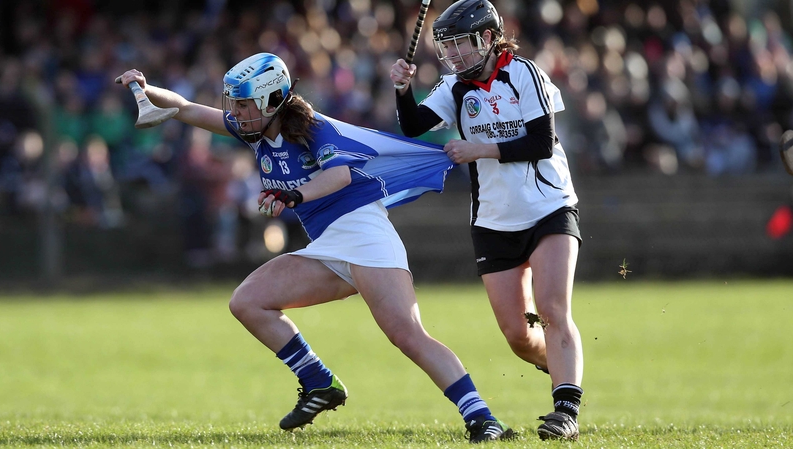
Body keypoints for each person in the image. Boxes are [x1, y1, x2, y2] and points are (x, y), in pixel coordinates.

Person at [117, 52, 514, 443]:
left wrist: (293, 197)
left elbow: (338, 176)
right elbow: (185, 109)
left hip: (364, 235)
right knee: (247, 302)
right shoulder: (253, 128)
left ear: (272, 101)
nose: (234, 112)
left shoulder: (311, 127)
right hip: (327, 245)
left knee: (407, 334)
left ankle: (482, 417)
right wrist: (148, 88)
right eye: (233, 103)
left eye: (242, 103)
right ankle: (318, 381)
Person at [389, 0, 584, 441]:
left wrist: (480, 149)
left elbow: (541, 140)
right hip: (494, 220)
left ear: (488, 38)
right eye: (447, 46)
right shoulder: (454, 86)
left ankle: (565, 410)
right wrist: (402, 90)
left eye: (461, 44)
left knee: (553, 310)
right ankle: (562, 370)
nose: (454, 54)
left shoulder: (525, 74)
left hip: (549, 207)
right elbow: (414, 126)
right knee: (518, 335)